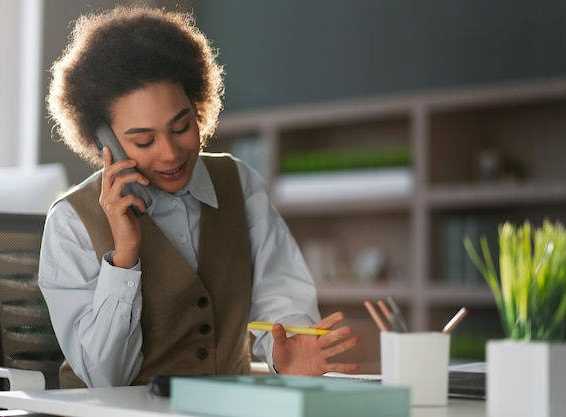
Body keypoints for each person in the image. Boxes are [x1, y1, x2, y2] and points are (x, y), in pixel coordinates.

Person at [39, 5, 359, 389]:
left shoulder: (239, 183)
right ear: (104, 140)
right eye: (144, 140)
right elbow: (106, 378)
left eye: (182, 126)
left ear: (199, 108)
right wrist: (123, 260)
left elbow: (282, 294)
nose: (171, 153)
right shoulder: (71, 222)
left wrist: (284, 352)